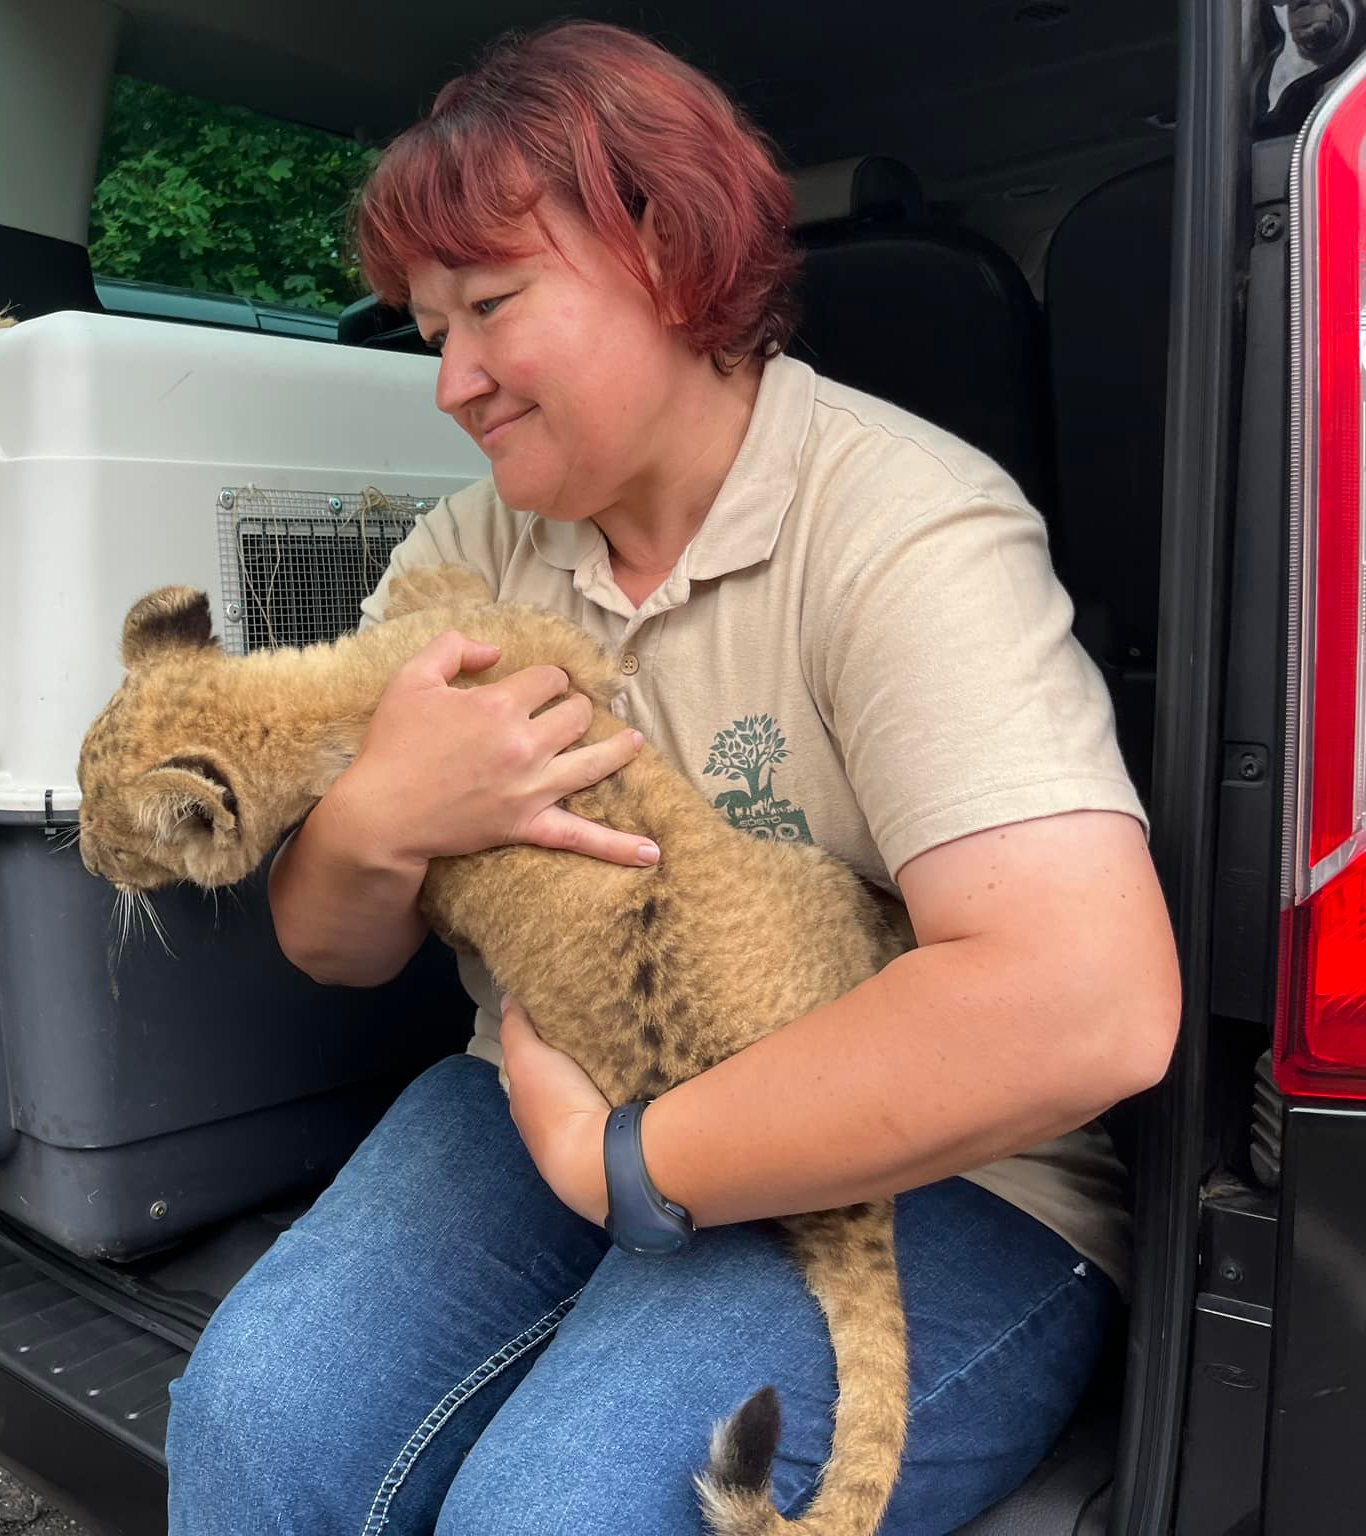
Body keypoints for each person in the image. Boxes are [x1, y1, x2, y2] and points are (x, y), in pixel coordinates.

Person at [164, 19, 1180, 1534]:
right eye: (433, 326)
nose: (453, 381)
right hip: (545, 1093)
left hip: (928, 1171)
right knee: (251, 1419)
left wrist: (622, 1165)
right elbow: (329, 940)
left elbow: (1082, 1000)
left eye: (493, 303)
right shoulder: (469, 555)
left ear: (669, 250)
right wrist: (384, 820)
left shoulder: (901, 525)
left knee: (562, 1511)